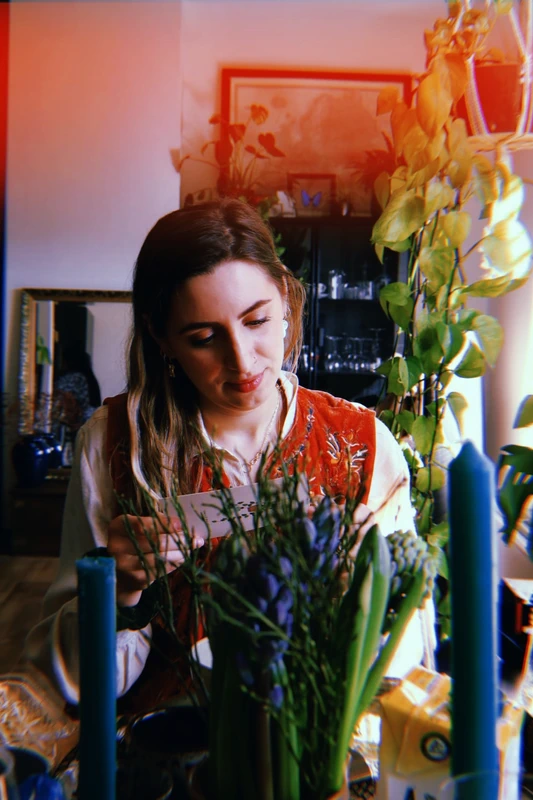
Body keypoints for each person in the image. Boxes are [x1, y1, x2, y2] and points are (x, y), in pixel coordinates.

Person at [22, 199, 435, 710]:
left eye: (257, 320)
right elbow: (71, 683)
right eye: (203, 337)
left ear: (285, 298)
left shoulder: (363, 444)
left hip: (316, 743)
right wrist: (119, 593)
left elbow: (406, 659)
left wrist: (364, 596)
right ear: (161, 336)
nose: (242, 361)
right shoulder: (112, 445)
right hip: (163, 744)